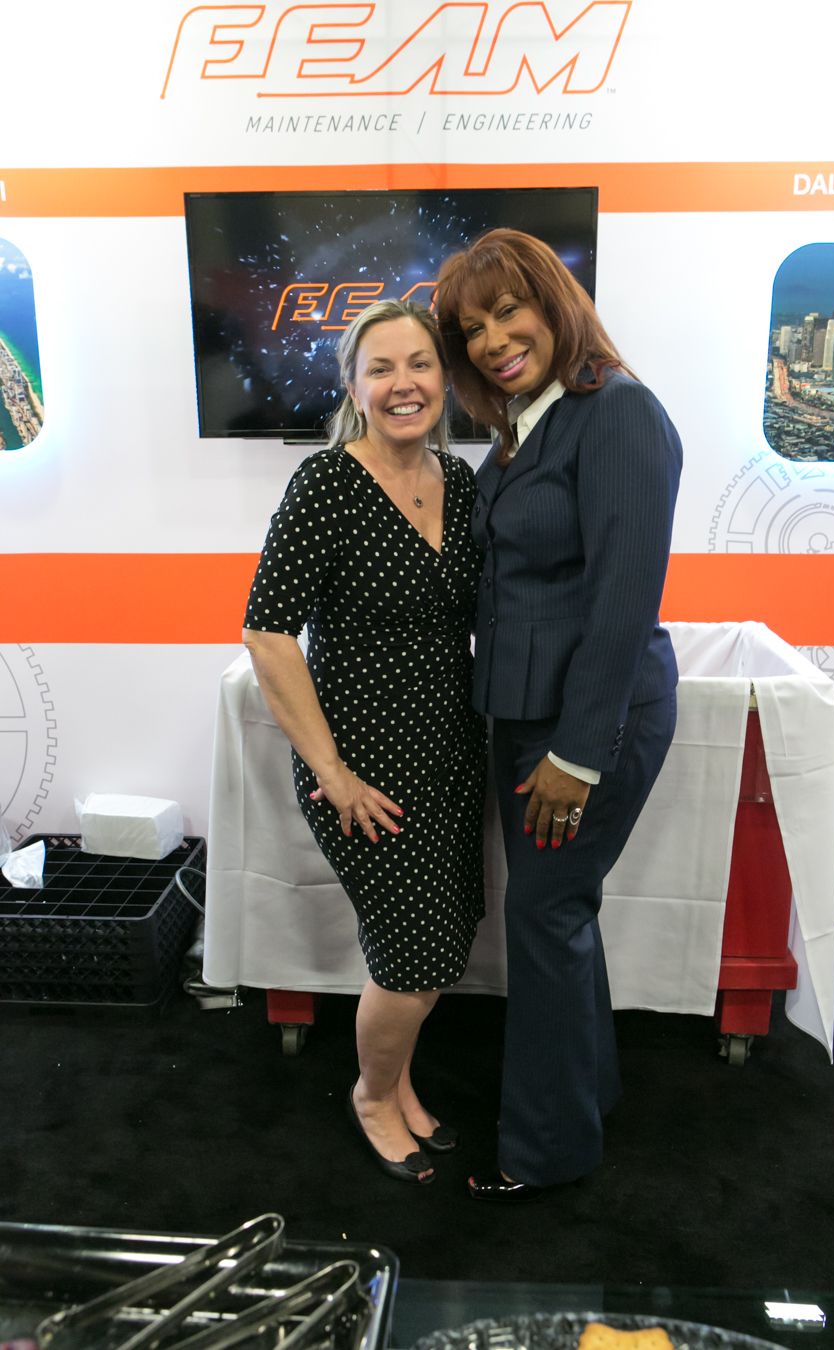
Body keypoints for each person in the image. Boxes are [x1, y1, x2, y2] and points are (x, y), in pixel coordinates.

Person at [435, 229, 682, 1202]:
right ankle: (586, 1097)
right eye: (473, 329)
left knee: (544, 913)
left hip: (585, 722)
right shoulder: (524, 426)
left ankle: (543, 1154)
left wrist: (579, 755)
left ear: (554, 303)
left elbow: (625, 598)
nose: (494, 340)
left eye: (509, 311)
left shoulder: (617, 412)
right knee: (556, 912)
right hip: (524, 715)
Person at [242, 298, 487, 1185]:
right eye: (380, 368)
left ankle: (402, 1084)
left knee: (444, 938)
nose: (402, 384)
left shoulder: (462, 483)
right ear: (353, 387)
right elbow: (268, 634)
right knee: (413, 956)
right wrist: (334, 774)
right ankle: (373, 1097)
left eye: (419, 364)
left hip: (452, 757)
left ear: (444, 379)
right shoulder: (326, 484)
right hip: (366, 776)